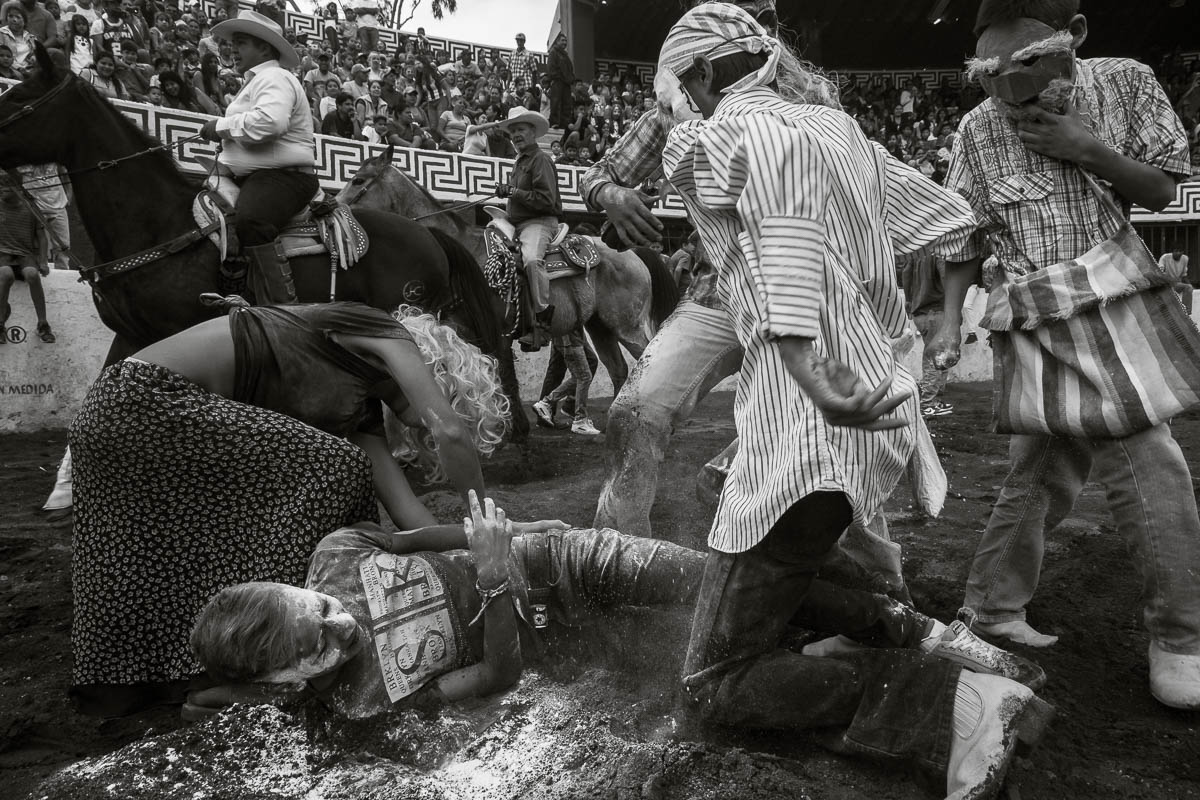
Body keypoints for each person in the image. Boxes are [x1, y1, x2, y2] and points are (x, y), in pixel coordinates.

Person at [650, 6, 1055, 797]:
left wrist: (801, 356)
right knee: (719, 492)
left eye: (682, 87)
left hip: (809, 418)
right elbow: (945, 216)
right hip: (852, 413)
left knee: (712, 688)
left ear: (701, 76)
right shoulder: (836, 132)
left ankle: (954, 706)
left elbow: (786, 212)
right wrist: (935, 312)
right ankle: (924, 636)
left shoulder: (744, 129)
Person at [189, 495, 1045, 725]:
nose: (336, 622)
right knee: (717, 655)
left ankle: (914, 630)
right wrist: (490, 581)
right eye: (315, 643)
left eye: (316, 609)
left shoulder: (332, 558)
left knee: (719, 584)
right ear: (287, 675)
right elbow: (494, 674)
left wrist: (490, 535)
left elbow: (404, 541)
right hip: (560, 637)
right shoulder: (368, 698)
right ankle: (870, 653)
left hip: (566, 557)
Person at [928, 0, 1200, 710]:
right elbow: (961, 239)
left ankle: (991, 608)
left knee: (1048, 462)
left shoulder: (1127, 83)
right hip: (1034, 312)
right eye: (990, 77)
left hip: (1113, 299)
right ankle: (1182, 638)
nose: (1010, 94)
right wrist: (949, 321)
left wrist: (1088, 148)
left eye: (1029, 71)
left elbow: (1165, 187)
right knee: (1147, 459)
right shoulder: (976, 130)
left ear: (1073, 37)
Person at [67, 301, 510, 718]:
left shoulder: (357, 414)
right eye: (443, 393)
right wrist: (484, 513)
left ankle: (225, 670)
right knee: (336, 471)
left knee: (305, 492)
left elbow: (409, 513)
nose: (427, 418)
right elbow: (449, 431)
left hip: (140, 426)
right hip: (139, 400)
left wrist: (475, 553)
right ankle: (300, 631)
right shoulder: (381, 331)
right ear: (436, 372)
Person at [197, 11, 317, 305]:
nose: (231, 49)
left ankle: (282, 309)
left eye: (240, 43)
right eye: (232, 43)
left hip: (284, 177)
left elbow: (271, 123)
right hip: (258, 176)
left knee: (252, 221)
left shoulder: (274, 76)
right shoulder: (256, 81)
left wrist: (220, 127)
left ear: (264, 47)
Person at [494, 106, 559, 347]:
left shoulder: (541, 159)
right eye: (512, 131)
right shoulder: (519, 160)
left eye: (520, 129)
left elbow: (546, 200)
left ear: (533, 132)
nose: (516, 134)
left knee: (532, 260)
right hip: (517, 223)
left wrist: (513, 192)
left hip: (539, 223)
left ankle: (542, 322)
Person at [900, 253, 952, 417]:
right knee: (936, 357)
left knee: (940, 356)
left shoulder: (915, 252)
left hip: (920, 313)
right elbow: (945, 276)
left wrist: (909, 299)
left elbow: (906, 273)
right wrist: (953, 309)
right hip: (936, 310)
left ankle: (934, 401)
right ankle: (927, 403)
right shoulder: (939, 252)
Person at [0, 185, 54, 344]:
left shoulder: (31, 207)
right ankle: (0, 324)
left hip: (25, 254)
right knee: (5, 275)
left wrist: (43, 261)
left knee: (32, 275)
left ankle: (43, 324)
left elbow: (42, 237)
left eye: (5, 188)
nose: (1, 191)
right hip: (2, 253)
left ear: (16, 189)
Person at [532, 324, 601, 436]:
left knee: (590, 362)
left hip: (573, 331)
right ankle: (578, 419)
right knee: (582, 376)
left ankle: (564, 405)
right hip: (568, 333)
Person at [19, 163, 71, 273]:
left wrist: (68, 195)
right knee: (35, 242)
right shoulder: (22, 158)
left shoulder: (53, 158)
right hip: (35, 206)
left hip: (59, 206)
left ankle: (63, 273)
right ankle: (37, 270)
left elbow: (65, 174)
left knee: (63, 244)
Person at [546, 32, 573, 128]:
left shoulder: (565, 55)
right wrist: (559, 77)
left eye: (566, 41)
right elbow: (550, 69)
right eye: (562, 40)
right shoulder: (553, 52)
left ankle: (565, 123)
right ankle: (555, 122)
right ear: (557, 41)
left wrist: (570, 79)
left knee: (566, 104)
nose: (564, 43)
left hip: (566, 83)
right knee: (556, 103)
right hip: (557, 81)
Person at [0, 4, 35, 74]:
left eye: (18, 17)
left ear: (25, 22)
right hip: (8, 71)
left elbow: (36, 54)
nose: (14, 20)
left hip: (30, 70)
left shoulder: (31, 38)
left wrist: (34, 57)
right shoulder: (1, 33)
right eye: (10, 16)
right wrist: (19, 68)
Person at [1160, 241, 1193, 311]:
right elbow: (1160, 272)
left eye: (1180, 251)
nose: (1178, 253)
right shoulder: (1165, 257)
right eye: (1176, 251)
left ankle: (1186, 311)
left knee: (1189, 287)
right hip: (1166, 284)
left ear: (1183, 251)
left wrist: (1190, 284)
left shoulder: (1185, 258)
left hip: (1177, 284)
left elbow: (1184, 275)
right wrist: (1169, 280)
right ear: (1172, 251)